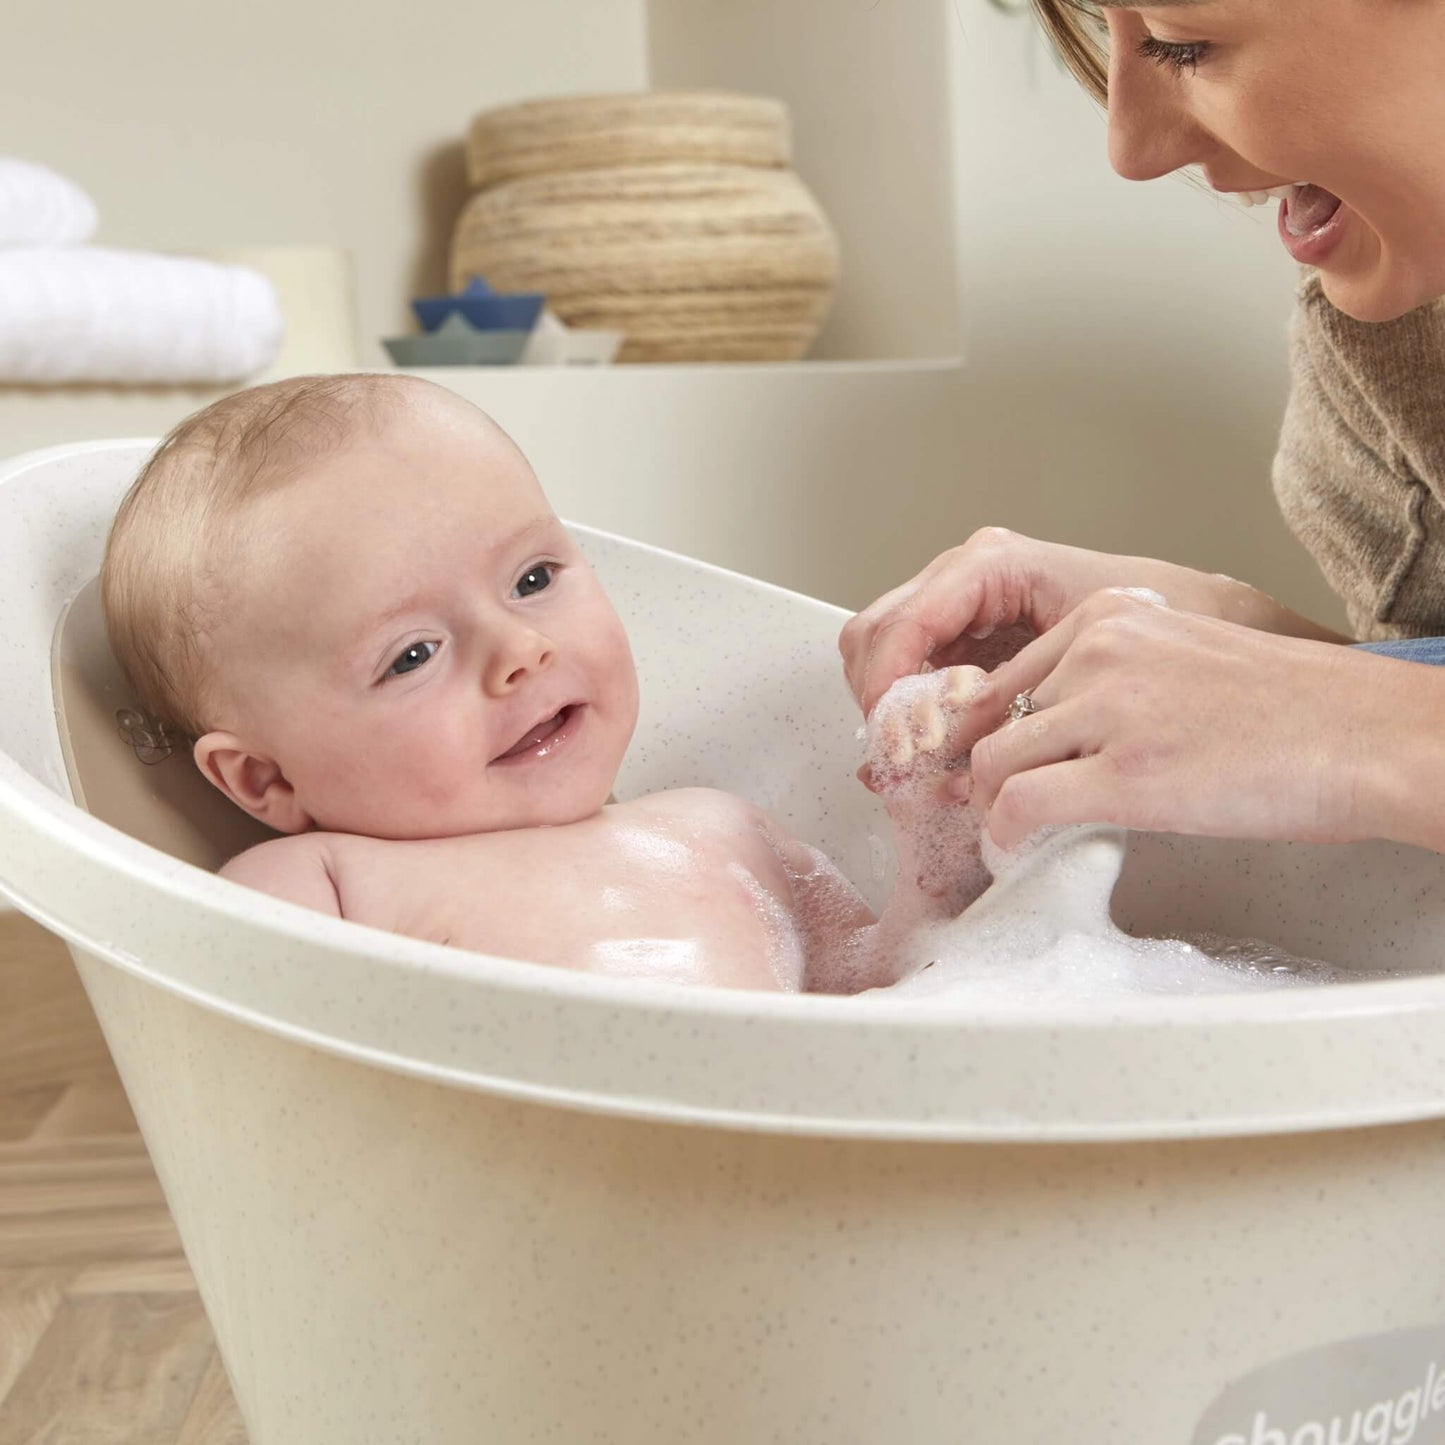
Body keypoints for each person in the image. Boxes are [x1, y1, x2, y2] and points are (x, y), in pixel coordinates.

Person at [101, 372, 991, 996]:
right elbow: (262, 1085)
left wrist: (934, 837)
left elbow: (882, 989)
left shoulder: (719, 827)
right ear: (269, 780)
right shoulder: (325, 883)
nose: (518, 650)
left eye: (532, 579)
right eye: (412, 653)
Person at [840, 0, 1445, 857]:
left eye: (1180, 44)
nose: (1131, 150)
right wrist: (1214, 632)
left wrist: (1357, 720)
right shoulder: (1390, 357)